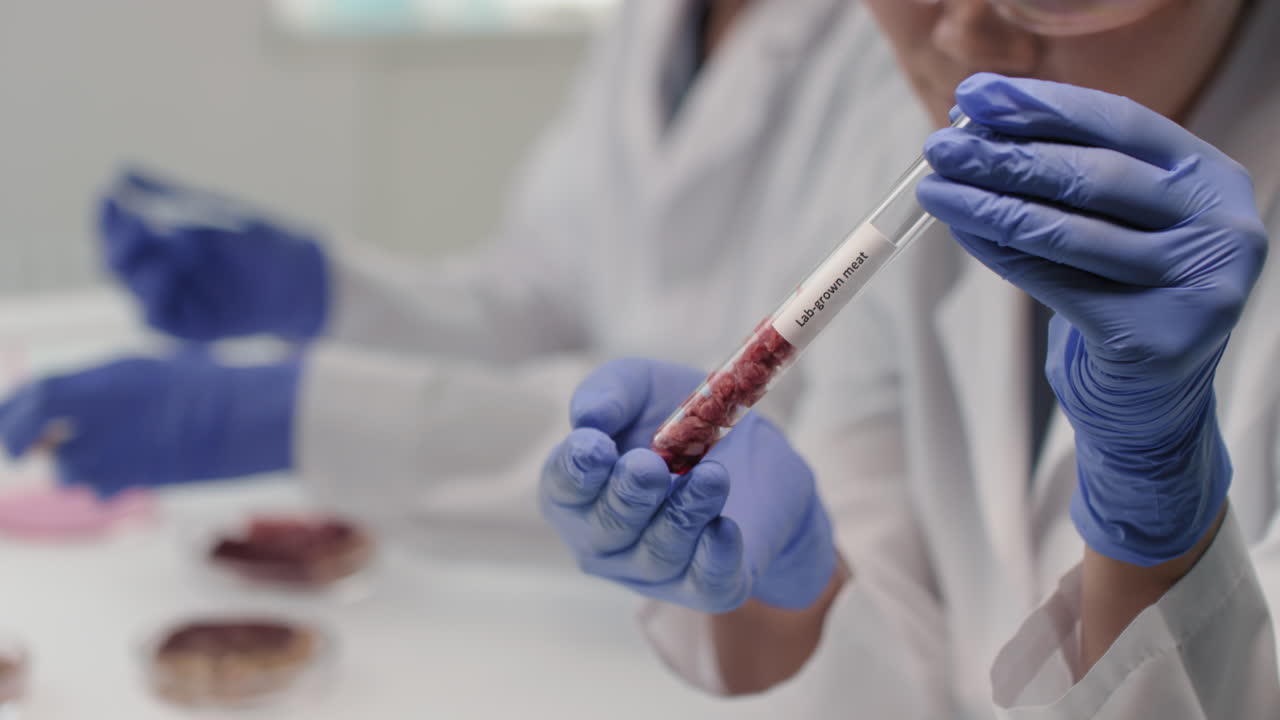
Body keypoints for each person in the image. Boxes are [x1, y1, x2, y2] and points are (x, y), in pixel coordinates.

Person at [536, 0, 1280, 717]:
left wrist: (1154, 522)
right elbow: (887, 655)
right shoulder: (898, 146)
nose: (965, 33)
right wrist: (791, 582)